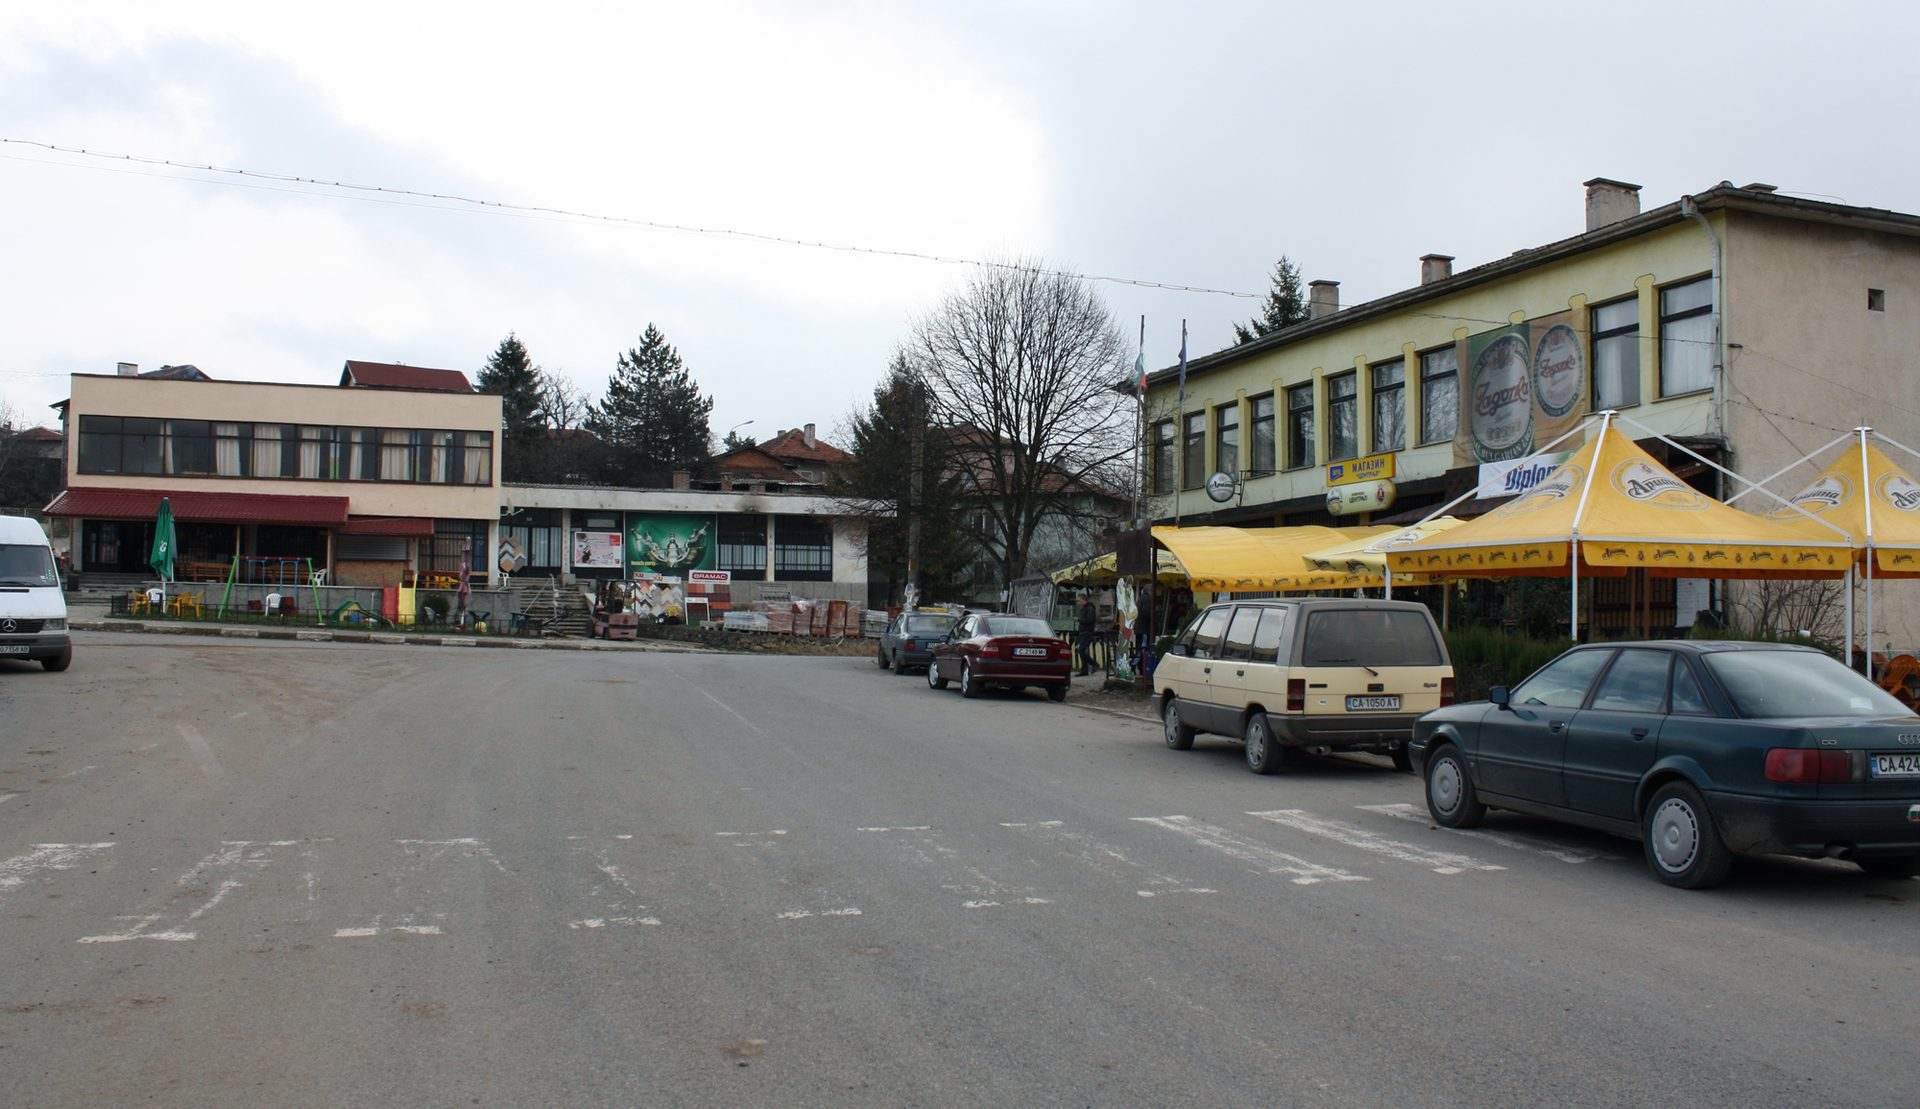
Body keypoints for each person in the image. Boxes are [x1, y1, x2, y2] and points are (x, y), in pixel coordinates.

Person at [1077, 592, 1098, 676]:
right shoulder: (1084, 608)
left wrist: (1079, 620)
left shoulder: (1090, 608)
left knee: (1081, 650)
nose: (1078, 602)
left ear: (1083, 600)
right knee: (1082, 651)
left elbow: (1090, 620)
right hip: (1083, 632)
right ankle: (1084, 670)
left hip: (1087, 632)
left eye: (1079, 600)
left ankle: (1094, 664)